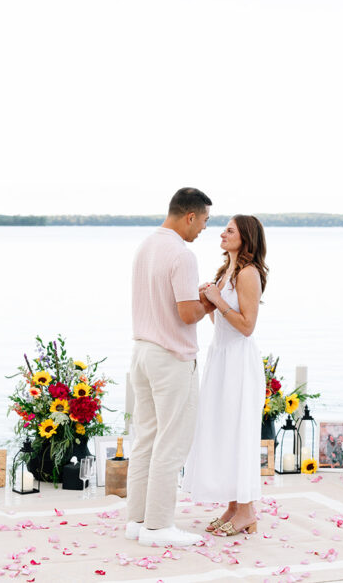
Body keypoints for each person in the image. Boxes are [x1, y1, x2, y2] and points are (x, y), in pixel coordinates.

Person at [125, 187, 213, 548]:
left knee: (145, 438)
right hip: (171, 358)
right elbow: (187, 312)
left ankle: (138, 520)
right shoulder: (182, 254)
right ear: (189, 216)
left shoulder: (145, 246)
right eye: (204, 221)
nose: (204, 229)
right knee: (171, 444)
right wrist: (209, 300)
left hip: (142, 353)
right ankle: (159, 527)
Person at [183, 215, 269, 537]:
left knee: (239, 431)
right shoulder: (225, 272)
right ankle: (234, 507)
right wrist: (209, 299)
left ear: (245, 237)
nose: (221, 233)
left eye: (229, 230)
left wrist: (218, 301)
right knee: (223, 430)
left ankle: (246, 510)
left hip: (239, 363)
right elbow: (221, 323)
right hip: (219, 358)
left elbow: (246, 327)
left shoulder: (249, 273)